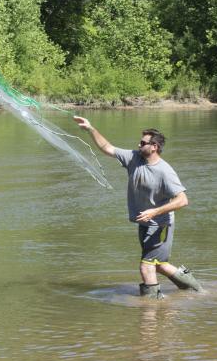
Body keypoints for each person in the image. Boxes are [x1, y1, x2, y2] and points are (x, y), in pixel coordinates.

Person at [73, 116, 202, 299]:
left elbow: (183, 200)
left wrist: (154, 211)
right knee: (158, 264)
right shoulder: (134, 158)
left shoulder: (165, 171)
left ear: (154, 147)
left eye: (143, 142)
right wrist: (90, 128)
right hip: (145, 223)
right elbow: (107, 148)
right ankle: (196, 291)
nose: (139, 144)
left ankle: (151, 308)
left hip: (160, 225)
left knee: (146, 265)